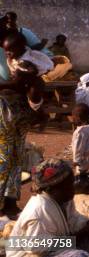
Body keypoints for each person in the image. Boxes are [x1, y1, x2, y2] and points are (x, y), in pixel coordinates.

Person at [7, 158, 89, 257]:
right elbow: (36, 247)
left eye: (72, 183)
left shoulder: (65, 200)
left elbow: (73, 219)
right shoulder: (39, 213)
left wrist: (88, 223)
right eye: (68, 185)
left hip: (55, 245)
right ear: (51, 189)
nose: (73, 188)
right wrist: (78, 236)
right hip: (29, 253)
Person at [0, 61, 43, 218]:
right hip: (5, 118)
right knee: (4, 162)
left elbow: (36, 104)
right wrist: (15, 84)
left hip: (18, 120)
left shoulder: (33, 84)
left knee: (16, 162)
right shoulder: (11, 84)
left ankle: (10, 203)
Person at [71, 103, 89, 195]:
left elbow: (78, 148)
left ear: (78, 118)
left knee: (81, 176)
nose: (72, 119)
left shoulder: (79, 132)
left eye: (73, 117)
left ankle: (84, 191)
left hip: (82, 159)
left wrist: (76, 161)